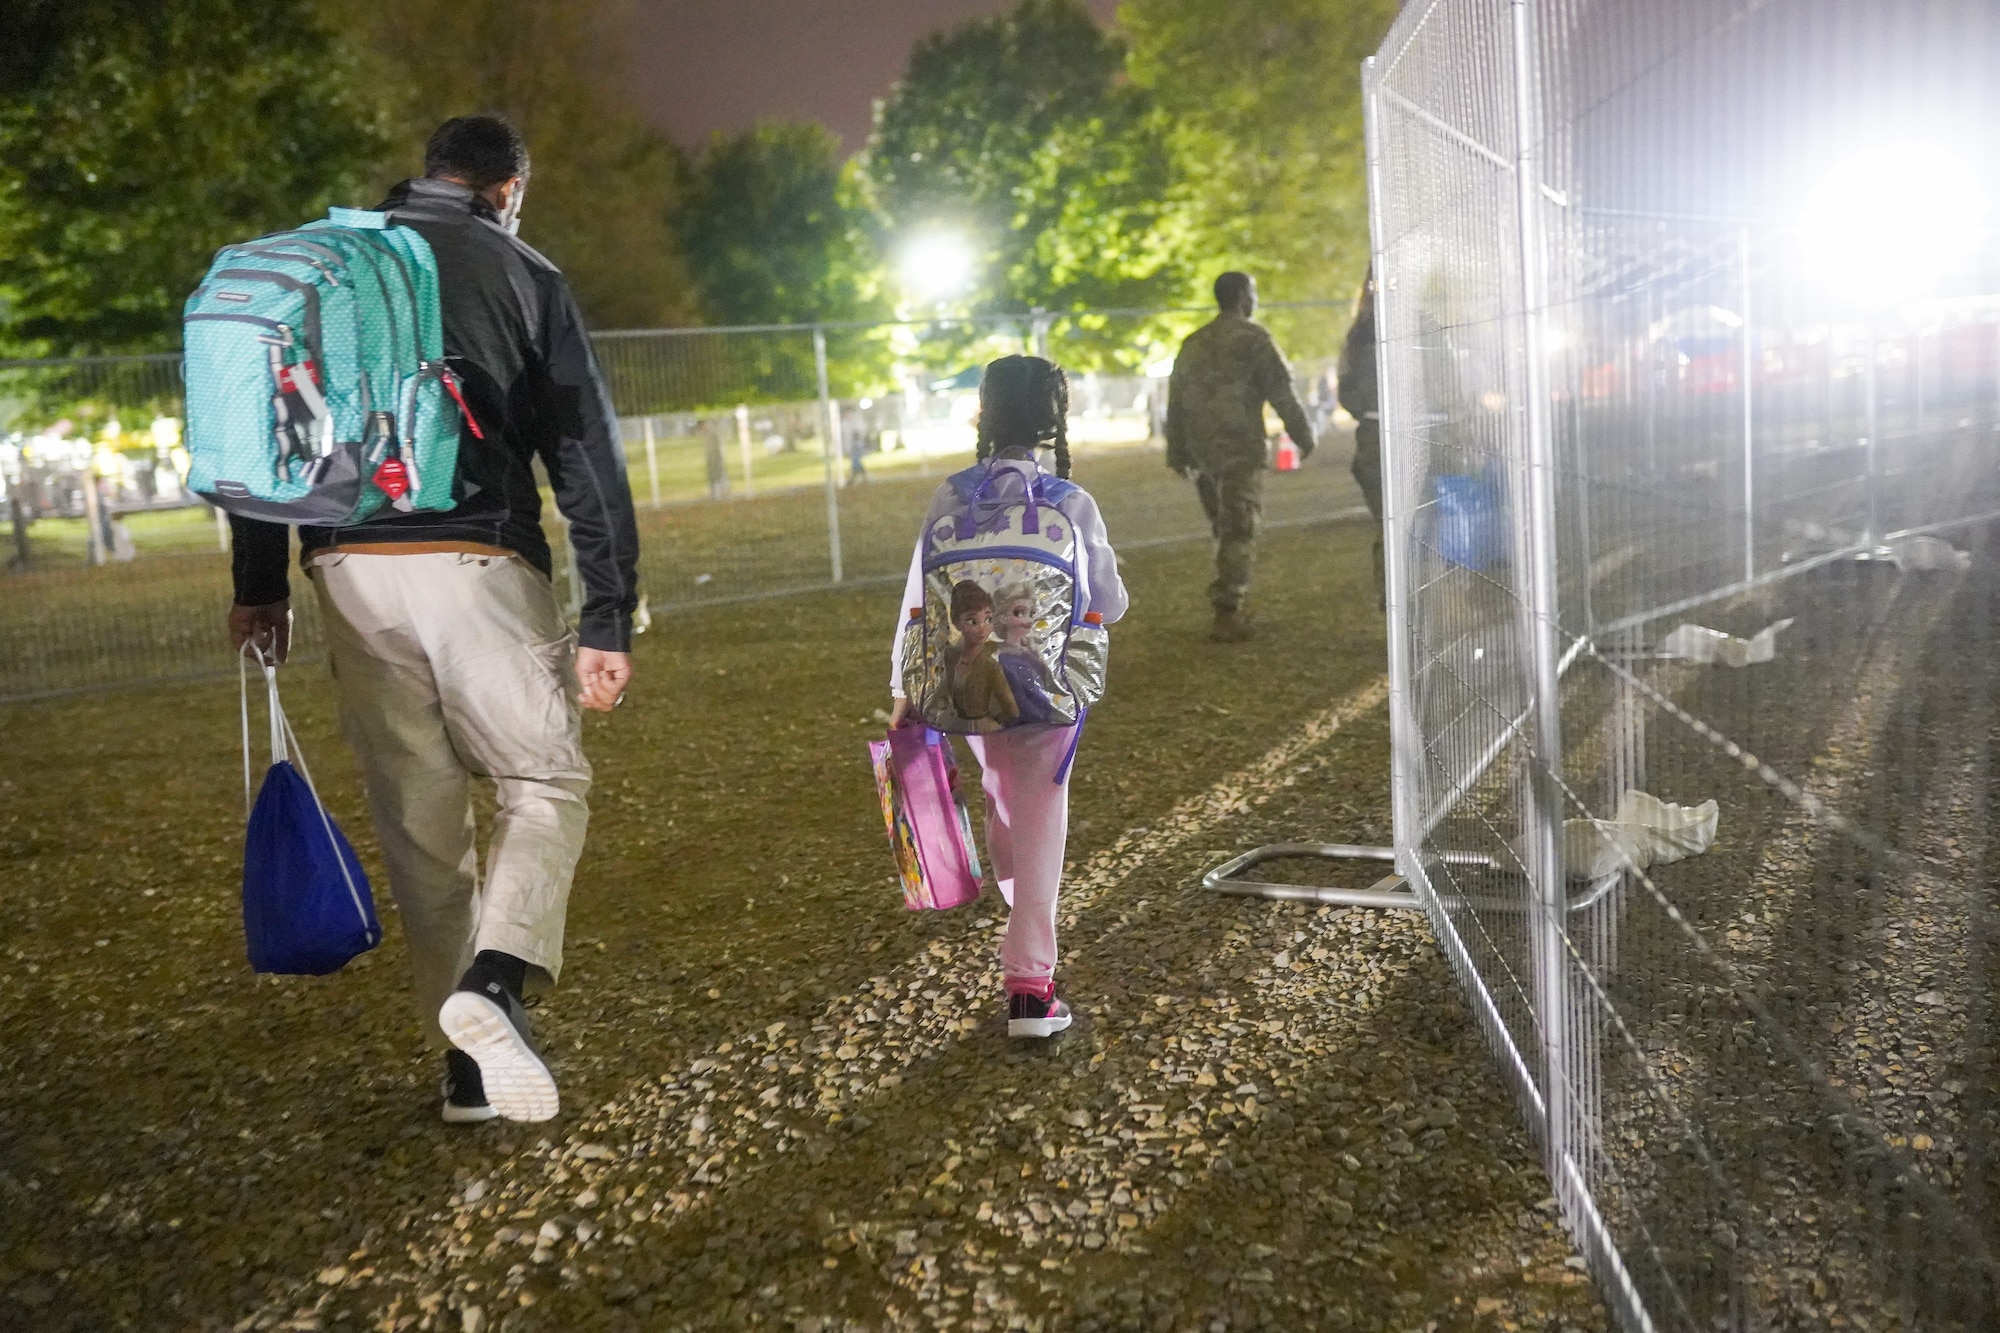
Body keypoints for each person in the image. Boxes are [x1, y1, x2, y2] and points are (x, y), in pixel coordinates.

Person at [225, 115, 640, 1125]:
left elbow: (259, 426)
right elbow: (581, 452)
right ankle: (495, 983)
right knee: (542, 781)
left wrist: (261, 583)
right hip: (478, 556)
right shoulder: (520, 270)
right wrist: (607, 612)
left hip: (345, 570)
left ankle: (463, 1076)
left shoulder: (324, 265)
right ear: (507, 189)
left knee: (421, 825)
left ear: (425, 177)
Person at [888, 356, 1127, 1038]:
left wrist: (902, 686)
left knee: (1002, 795)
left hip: (968, 686)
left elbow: (916, 601)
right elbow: (1110, 601)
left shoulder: (950, 496)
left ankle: (1021, 916)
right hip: (1050, 690)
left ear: (983, 414)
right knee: (1041, 813)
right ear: (1055, 419)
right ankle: (1030, 984)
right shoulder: (1069, 501)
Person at [1165, 272, 1317, 642]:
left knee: (1224, 526)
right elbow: (1282, 392)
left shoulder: (1193, 343)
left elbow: (1176, 401)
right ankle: (1227, 612)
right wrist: (1303, 434)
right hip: (1239, 451)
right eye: (1253, 293)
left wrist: (1177, 449)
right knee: (1239, 531)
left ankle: (1227, 603)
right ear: (1243, 297)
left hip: (1203, 455)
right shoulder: (1254, 340)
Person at [1337, 271, 1385, 607]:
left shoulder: (1357, 335)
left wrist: (1368, 410)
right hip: (1421, 434)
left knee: (1389, 523)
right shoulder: (1423, 327)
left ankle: (1390, 597)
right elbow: (1450, 387)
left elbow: (1346, 392)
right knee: (1422, 523)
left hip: (1372, 437)